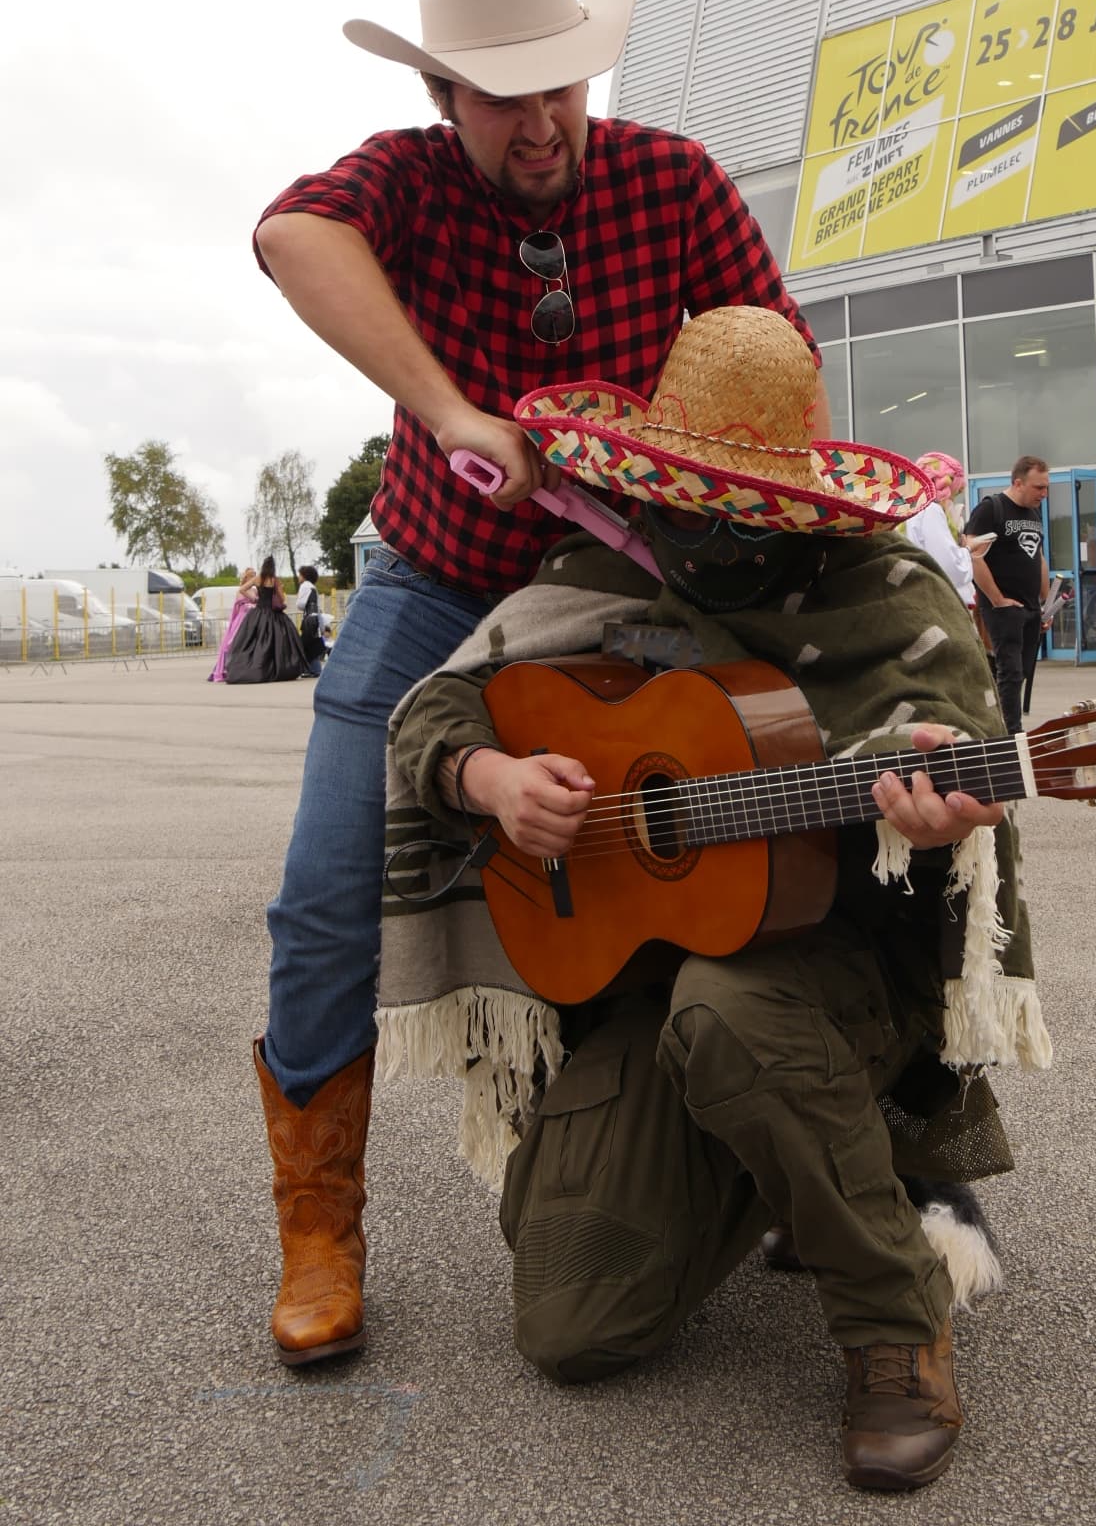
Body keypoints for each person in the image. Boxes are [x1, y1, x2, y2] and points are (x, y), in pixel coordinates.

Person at [332, 308, 1056, 1495]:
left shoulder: (886, 590)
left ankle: (892, 1315)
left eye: (736, 506)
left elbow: (952, 748)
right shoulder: (603, 570)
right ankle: (784, 1161)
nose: (706, 532)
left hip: (831, 978)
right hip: (638, 985)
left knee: (731, 1015)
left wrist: (929, 809)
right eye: (686, 496)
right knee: (574, 1322)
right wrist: (493, 777)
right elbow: (433, 710)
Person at [249, 0, 824, 1363]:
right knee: (327, 886)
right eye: (505, 93)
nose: (545, 118)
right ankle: (321, 1227)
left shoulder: (674, 179)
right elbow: (287, 235)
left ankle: (798, 1149)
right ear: (445, 98)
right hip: (437, 581)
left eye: (562, 80)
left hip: (632, 585)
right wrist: (450, 412)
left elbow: (779, 365)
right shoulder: (400, 181)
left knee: (757, 828)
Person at [963, 457, 1052, 732]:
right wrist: (997, 599)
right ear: (1018, 482)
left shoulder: (1034, 514)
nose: (1044, 494)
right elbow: (972, 553)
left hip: (1030, 606)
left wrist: (1045, 604)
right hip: (1003, 606)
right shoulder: (992, 508)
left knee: (1021, 671)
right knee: (1010, 671)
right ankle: (1010, 733)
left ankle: (1002, 722)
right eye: (1038, 487)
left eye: (1046, 487)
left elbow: (1038, 557)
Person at [902, 450, 976, 607]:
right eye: (955, 494)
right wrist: (967, 549)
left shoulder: (906, 509)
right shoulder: (930, 510)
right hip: (935, 603)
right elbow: (949, 568)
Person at [224, 556, 312, 684]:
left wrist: (254, 599)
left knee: (253, 641)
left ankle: (252, 667)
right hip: (273, 614)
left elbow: (242, 589)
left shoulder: (257, 578)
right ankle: (276, 668)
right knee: (278, 642)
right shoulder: (274, 580)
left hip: (258, 613)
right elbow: (282, 599)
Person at [207, 568, 258, 682]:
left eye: (254, 575)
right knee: (231, 642)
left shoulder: (254, 590)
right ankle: (225, 668)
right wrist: (252, 605)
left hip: (252, 619)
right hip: (241, 620)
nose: (253, 578)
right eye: (251, 576)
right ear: (246, 577)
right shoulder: (240, 591)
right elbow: (241, 605)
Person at [294, 564, 328, 678]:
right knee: (313, 644)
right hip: (315, 619)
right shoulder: (313, 587)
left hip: (308, 619)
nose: (299, 577)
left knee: (305, 643)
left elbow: (300, 604)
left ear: (304, 575)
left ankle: (310, 669)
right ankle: (314, 669)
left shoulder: (304, 586)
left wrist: (298, 599)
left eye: (300, 574)